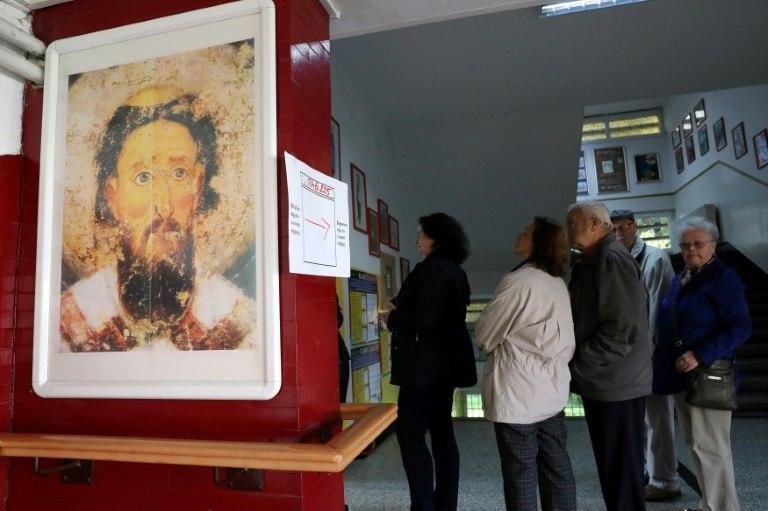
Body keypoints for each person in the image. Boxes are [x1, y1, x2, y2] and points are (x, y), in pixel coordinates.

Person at [60, 87, 256, 352]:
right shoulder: (71, 323)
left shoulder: (237, 323)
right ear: (113, 197)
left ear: (198, 186)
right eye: (143, 177)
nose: (164, 207)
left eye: (179, 174)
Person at [474, 217, 577, 511]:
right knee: (557, 470)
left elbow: (484, 335)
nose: (520, 234)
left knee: (520, 476)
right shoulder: (557, 283)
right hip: (551, 393)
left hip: (518, 396)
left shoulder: (519, 282)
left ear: (538, 243)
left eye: (527, 232)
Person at [653, 217, 751, 511]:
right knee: (698, 444)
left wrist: (700, 354)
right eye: (685, 245)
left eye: (698, 244)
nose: (691, 250)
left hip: (708, 375)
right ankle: (710, 504)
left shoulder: (723, 278)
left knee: (711, 448)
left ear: (713, 245)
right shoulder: (684, 276)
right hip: (684, 375)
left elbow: (740, 326)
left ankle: (721, 507)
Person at [381, 212, 477, 511]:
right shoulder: (454, 270)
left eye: (421, 234)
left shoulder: (432, 270)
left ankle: (423, 506)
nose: (417, 240)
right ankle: (445, 503)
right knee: (442, 434)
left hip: (423, 370)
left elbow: (427, 318)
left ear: (436, 238)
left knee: (410, 435)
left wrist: (391, 317)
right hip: (442, 368)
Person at [566, 201, 650, 511]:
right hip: (605, 380)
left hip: (617, 382)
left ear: (595, 224)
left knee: (622, 472)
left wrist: (578, 364)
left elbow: (621, 330)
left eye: (573, 223)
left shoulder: (611, 259)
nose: (567, 229)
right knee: (614, 470)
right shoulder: (591, 260)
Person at [610, 209, 679, 502]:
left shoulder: (655, 259)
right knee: (636, 419)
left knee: (657, 418)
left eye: (625, 227)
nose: (620, 232)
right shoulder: (615, 260)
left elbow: (661, 313)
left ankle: (665, 480)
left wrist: (650, 357)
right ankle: (646, 473)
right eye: (614, 228)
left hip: (652, 354)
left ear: (635, 227)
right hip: (626, 356)